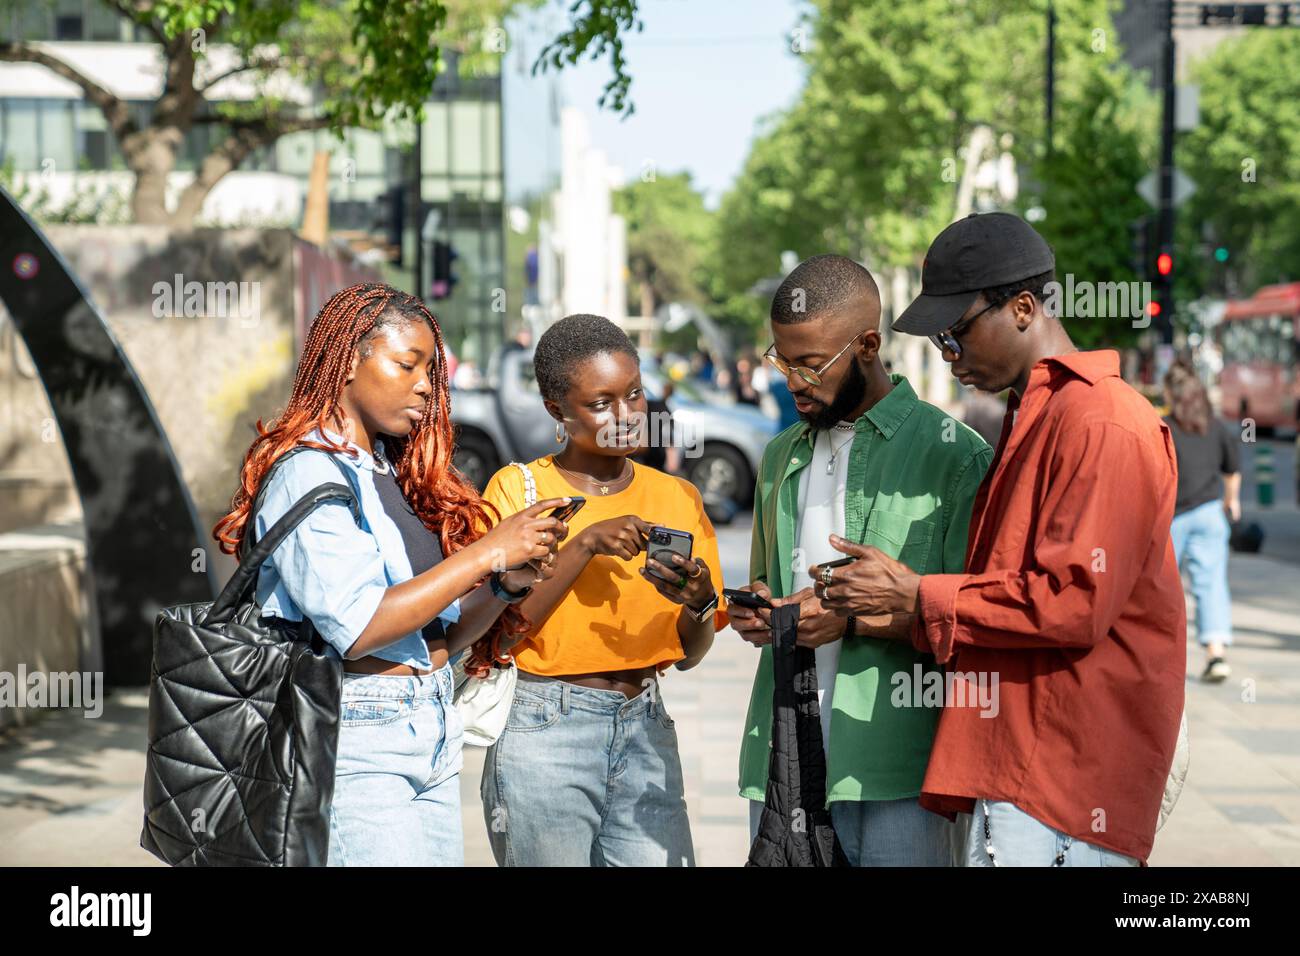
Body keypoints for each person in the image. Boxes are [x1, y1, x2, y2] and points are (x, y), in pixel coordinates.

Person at [816, 212, 1186, 866]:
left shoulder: (1102, 421)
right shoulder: (1041, 414)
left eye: (955, 335)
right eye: (937, 344)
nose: (948, 357)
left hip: (1067, 782)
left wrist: (922, 594)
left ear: (1022, 308)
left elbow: (1073, 602)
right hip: (1020, 766)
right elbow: (1012, 599)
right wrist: (900, 607)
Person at [212, 282, 568, 867]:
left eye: (431, 369)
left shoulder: (384, 471)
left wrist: (507, 584)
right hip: (357, 734)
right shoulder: (306, 474)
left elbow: (440, 641)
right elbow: (360, 628)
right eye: (408, 365)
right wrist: (484, 556)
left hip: (427, 723)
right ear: (349, 358)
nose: (427, 385)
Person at [728, 254, 992, 867]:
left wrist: (852, 620)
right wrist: (762, 612)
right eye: (781, 359)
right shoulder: (778, 456)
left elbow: (975, 624)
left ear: (869, 345)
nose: (793, 380)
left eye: (810, 364)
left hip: (899, 768)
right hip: (784, 753)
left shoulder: (953, 457)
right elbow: (769, 580)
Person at [477, 313, 727, 867]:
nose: (626, 417)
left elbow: (690, 653)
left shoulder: (677, 497)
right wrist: (582, 545)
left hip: (646, 725)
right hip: (544, 728)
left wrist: (699, 602)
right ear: (556, 411)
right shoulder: (519, 490)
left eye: (634, 394)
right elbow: (498, 635)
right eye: (601, 403)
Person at [1164, 361, 1240, 682]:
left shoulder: (1165, 427)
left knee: (1164, 587)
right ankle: (1216, 653)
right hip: (1211, 513)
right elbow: (1232, 468)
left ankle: (1163, 656)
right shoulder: (1216, 426)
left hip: (1174, 516)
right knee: (1211, 583)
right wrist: (1231, 501)